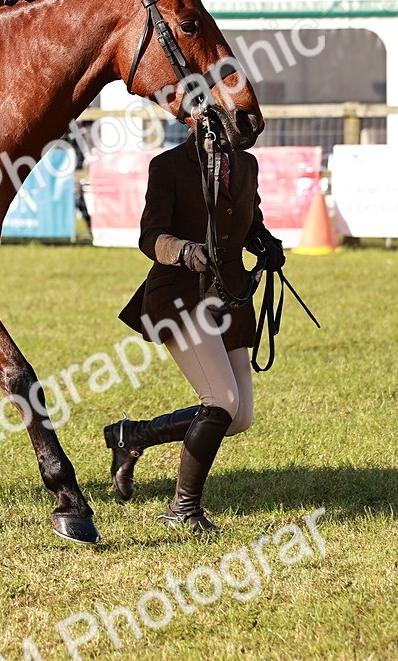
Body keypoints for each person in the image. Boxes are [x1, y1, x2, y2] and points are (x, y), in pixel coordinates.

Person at [110, 126, 284, 532]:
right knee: (221, 401)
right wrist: (183, 250)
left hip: (230, 299)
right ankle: (183, 511)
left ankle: (131, 435)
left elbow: (249, 221)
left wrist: (264, 242)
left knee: (238, 417)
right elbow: (150, 236)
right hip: (180, 296)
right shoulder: (168, 166)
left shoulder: (246, 164)